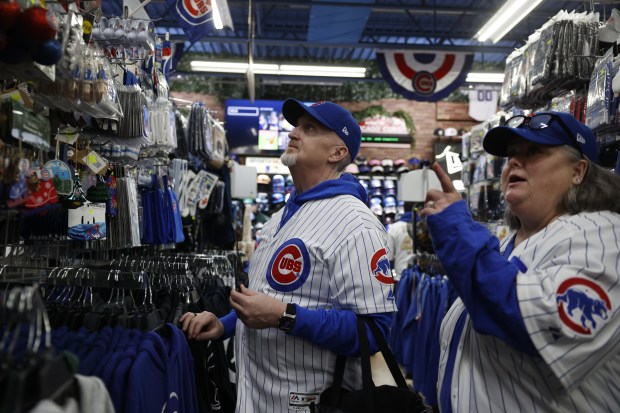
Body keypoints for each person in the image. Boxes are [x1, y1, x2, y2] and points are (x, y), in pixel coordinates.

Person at [180, 99, 397, 412]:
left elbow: (374, 331)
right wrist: (225, 324)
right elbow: (267, 299)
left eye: (310, 128)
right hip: (256, 398)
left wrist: (285, 315)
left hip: (314, 401)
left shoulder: (356, 225)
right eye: (296, 126)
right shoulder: (280, 217)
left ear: (338, 153)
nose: (294, 133)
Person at [419, 111, 620, 412]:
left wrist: (458, 232)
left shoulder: (604, 232)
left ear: (578, 171)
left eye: (534, 152)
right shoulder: (504, 244)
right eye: (512, 154)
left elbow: (544, 323)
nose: (514, 161)